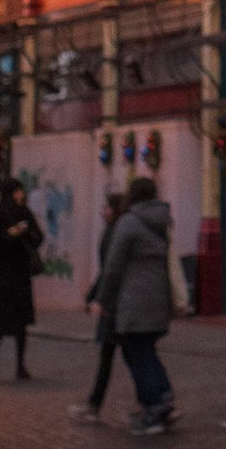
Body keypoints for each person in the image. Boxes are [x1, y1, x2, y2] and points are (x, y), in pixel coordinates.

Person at [94, 174, 179, 434]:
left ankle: (153, 408)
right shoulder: (162, 222)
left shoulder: (129, 223)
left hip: (133, 303)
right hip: (157, 300)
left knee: (137, 354)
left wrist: (103, 300)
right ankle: (163, 397)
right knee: (147, 351)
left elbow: (113, 267)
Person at [0, 177, 46, 380]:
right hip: (3, 275)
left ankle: (20, 365)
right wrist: (10, 234)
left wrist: (25, 233)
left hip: (19, 273)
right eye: (18, 190)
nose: (21, 194)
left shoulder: (24, 213)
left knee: (20, 322)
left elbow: (38, 237)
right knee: (3, 322)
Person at [75, 189, 126, 423]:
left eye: (105, 208)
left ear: (114, 211)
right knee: (119, 354)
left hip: (115, 305)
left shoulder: (116, 233)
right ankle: (94, 403)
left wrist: (98, 297)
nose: (102, 212)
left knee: (126, 354)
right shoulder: (114, 231)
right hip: (116, 302)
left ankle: (155, 401)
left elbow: (110, 270)